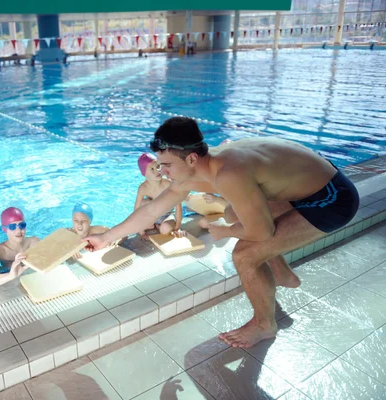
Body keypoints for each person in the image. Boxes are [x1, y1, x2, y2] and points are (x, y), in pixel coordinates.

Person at [84, 116, 359, 348]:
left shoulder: (229, 173)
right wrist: (105, 238)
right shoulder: (198, 168)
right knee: (232, 212)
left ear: (191, 158)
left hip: (332, 197)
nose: (162, 171)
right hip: (302, 186)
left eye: (166, 166)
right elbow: (152, 210)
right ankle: (283, 274)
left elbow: (261, 231)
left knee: (245, 254)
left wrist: (225, 231)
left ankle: (264, 325)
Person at [134, 153, 184, 240]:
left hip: (166, 215)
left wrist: (177, 227)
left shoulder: (168, 184)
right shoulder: (143, 188)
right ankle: (154, 224)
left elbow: (178, 205)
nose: (157, 171)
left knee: (165, 230)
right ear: (144, 173)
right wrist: (141, 233)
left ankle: (159, 225)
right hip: (151, 216)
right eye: (152, 169)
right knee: (143, 203)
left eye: (158, 166)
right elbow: (136, 210)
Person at [0, 207, 39, 273]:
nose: (19, 231)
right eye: (12, 227)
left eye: (22, 225)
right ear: (4, 229)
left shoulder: (34, 242)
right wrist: (11, 266)